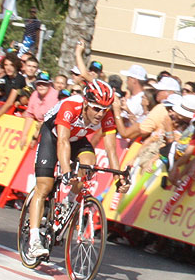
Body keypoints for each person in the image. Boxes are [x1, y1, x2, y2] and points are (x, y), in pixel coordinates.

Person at [25, 79, 130, 261]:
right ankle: (34, 241)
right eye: (96, 109)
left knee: (89, 164)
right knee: (44, 187)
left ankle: (68, 202)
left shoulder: (106, 115)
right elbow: (63, 141)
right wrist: (66, 171)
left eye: (104, 110)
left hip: (77, 140)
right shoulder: (71, 106)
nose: (100, 114)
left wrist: (117, 179)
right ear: (86, 103)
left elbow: (111, 150)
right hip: (54, 136)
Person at [19, 71, 59, 149]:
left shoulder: (55, 96)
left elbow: (48, 120)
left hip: (52, 130)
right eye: (39, 84)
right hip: (39, 125)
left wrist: (35, 136)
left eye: (45, 84)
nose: (41, 86)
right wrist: (24, 135)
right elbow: (29, 115)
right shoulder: (34, 95)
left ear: (50, 84)